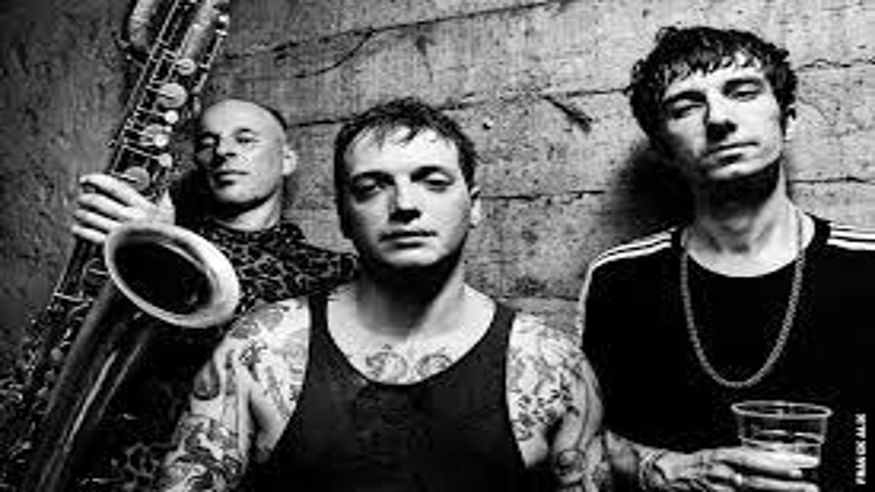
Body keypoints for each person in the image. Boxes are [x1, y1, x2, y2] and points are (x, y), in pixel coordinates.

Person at [157, 97, 609, 491]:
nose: (405, 205)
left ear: (474, 206)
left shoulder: (552, 365)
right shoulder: (260, 349)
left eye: (433, 182)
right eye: (371, 187)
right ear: (343, 215)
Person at [578, 26, 872, 491]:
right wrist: (669, 470)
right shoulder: (619, 278)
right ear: (663, 150)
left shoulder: (866, 265)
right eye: (685, 107)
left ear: (788, 120)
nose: (718, 118)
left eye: (742, 92)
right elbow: (580, 445)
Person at [32, 98, 356, 490]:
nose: (223, 151)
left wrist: (168, 251)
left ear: (287, 159)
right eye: (208, 142)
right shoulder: (151, 237)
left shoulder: (334, 271)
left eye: (245, 139)